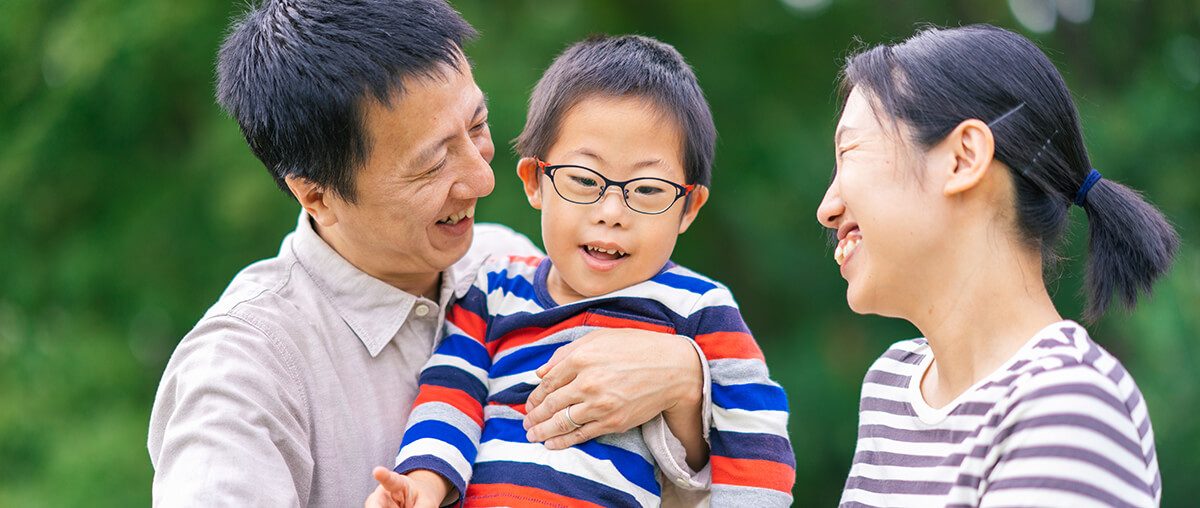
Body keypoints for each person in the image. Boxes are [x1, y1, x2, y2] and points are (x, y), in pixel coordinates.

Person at [146, 1, 711, 505]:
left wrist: (686, 383)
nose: (482, 178)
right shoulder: (243, 374)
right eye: (432, 163)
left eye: (477, 125)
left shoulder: (508, 263)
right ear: (317, 194)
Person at [365, 35, 796, 507]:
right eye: (585, 181)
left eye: (648, 190)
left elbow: (757, 441)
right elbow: (450, 392)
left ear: (688, 207)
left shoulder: (700, 308)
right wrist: (423, 484)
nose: (612, 211)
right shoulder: (492, 289)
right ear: (535, 182)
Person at [818, 24, 1177, 507]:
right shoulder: (892, 387)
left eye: (849, 152)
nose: (828, 207)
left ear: (964, 158)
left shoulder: (1068, 406)